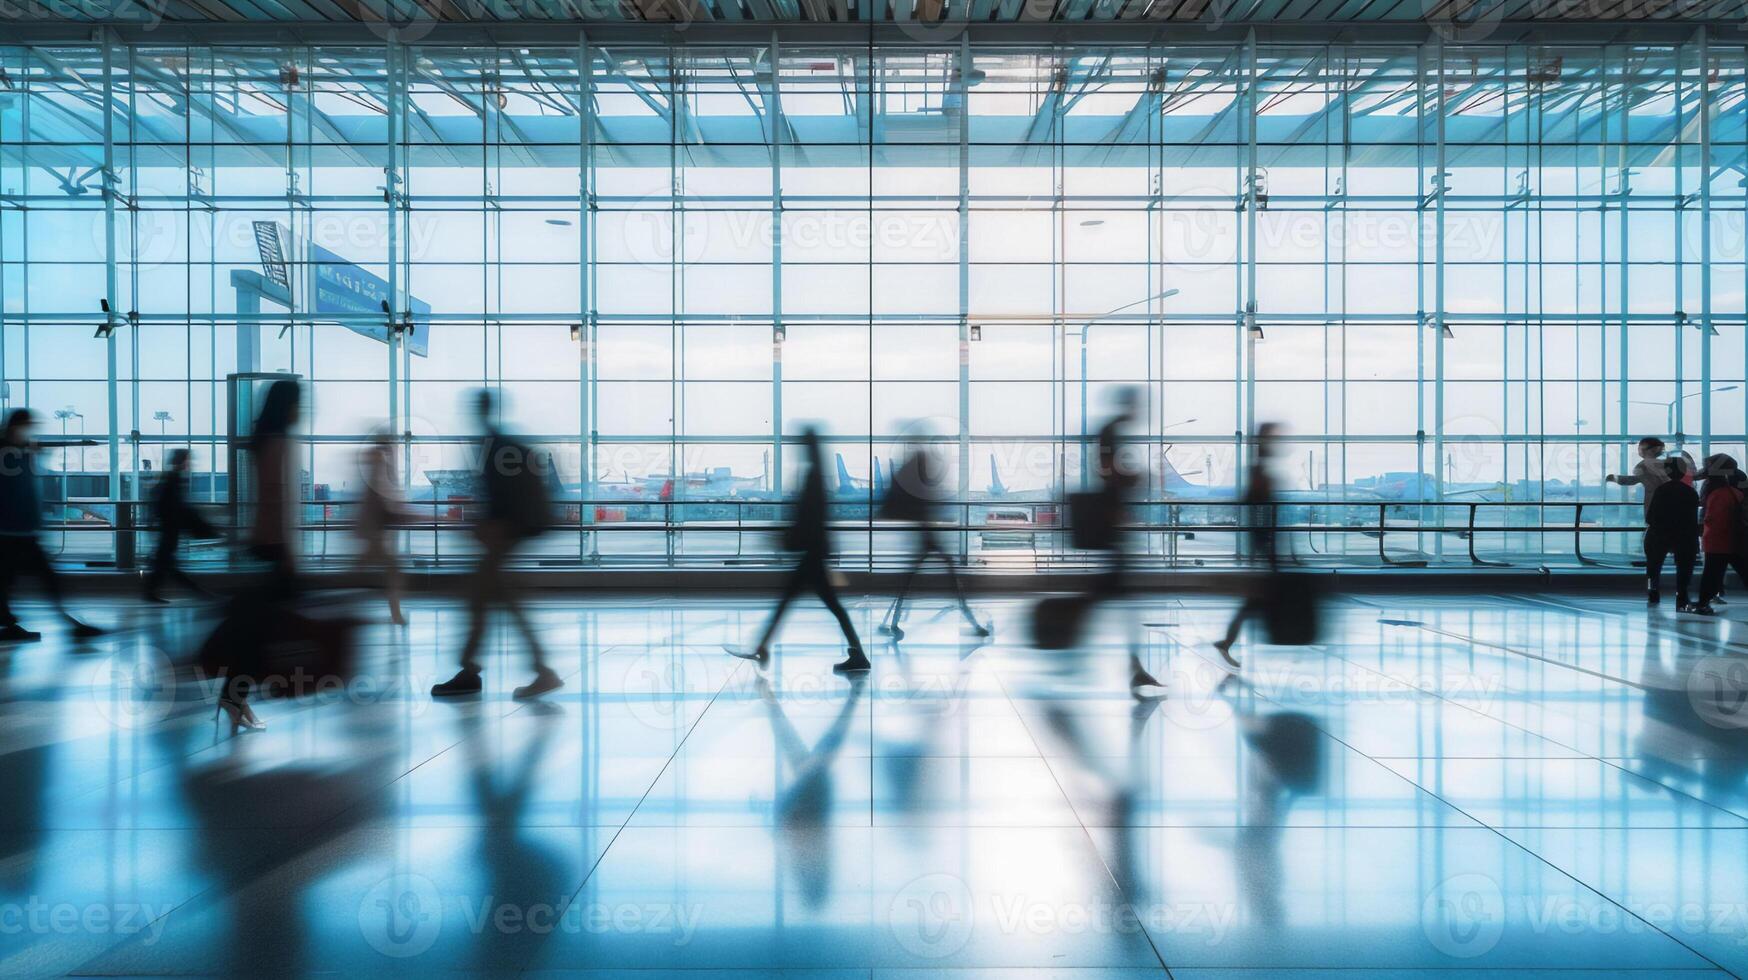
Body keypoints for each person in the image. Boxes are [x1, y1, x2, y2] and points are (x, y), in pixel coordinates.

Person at [432, 390, 561, 700]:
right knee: (495, 599)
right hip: (513, 532)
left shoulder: (492, 446)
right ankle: (531, 671)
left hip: (504, 534)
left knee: (481, 598)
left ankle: (475, 670)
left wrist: (486, 526)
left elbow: (497, 497)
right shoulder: (504, 444)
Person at [730, 426, 867, 673]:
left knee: (802, 604)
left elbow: (808, 517)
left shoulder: (812, 477)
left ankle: (763, 647)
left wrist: (788, 538)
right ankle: (764, 646)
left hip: (811, 557)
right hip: (814, 555)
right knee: (819, 606)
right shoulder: (817, 475)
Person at [0, 409, 103, 642]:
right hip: (9, 533)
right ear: (17, 426)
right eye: (29, 425)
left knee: (34, 579)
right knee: (17, 580)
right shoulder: (10, 453)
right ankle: (65, 624)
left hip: (22, 532)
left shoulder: (23, 451)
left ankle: (66, 623)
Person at [1091, 387, 1167, 698]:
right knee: (1112, 593)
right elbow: (1108, 472)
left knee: (1114, 592)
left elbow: (1108, 471)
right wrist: (1133, 479)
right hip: (1112, 521)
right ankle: (1058, 627)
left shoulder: (1112, 431)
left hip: (1113, 520)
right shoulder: (1111, 432)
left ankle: (1136, 667)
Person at [877, 438, 988, 641]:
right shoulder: (920, 482)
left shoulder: (913, 483)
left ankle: (893, 623)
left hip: (924, 539)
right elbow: (931, 504)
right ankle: (973, 623)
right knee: (951, 582)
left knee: (908, 583)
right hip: (929, 538)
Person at [1213, 422, 1283, 669]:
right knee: (1257, 599)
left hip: (1262, 543)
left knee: (1254, 600)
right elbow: (1261, 511)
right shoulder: (1260, 472)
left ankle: (1227, 642)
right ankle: (1227, 642)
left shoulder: (1258, 471)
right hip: (1264, 544)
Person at [143, 448, 220, 603]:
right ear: (182, 461)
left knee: (166, 564)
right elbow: (179, 506)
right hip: (171, 529)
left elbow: (165, 504)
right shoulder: (174, 479)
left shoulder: (169, 478)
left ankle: (152, 592)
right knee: (168, 564)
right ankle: (200, 593)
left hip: (168, 529)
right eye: (188, 459)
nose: (190, 463)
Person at [248, 378, 301, 597]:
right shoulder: (276, 443)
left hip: (270, 536)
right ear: (286, 407)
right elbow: (276, 495)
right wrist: (288, 548)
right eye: (298, 404)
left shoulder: (269, 440)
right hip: (275, 538)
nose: (301, 410)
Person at [354, 433, 408, 625]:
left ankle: (340, 592)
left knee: (364, 566)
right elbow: (381, 494)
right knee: (393, 570)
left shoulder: (376, 462)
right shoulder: (381, 463)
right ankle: (396, 613)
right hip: (375, 528)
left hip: (372, 527)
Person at [1644, 455, 1699, 610]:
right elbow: (1692, 519)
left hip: (1660, 534)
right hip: (1684, 535)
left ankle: (1653, 592)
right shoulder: (1690, 493)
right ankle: (1681, 595)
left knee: (1654, 565)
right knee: (1684, 566)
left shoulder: (1661, 491)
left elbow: (1651, 517)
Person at [1695, 456, 1748, 615]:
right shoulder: (1737, 485)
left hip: (1717, 540)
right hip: (1736, 538)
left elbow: (1712, 517)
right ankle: (1704, 602)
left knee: (1711, 574)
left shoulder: (1714, 490)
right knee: (1743, 570)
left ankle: (1703, 604)